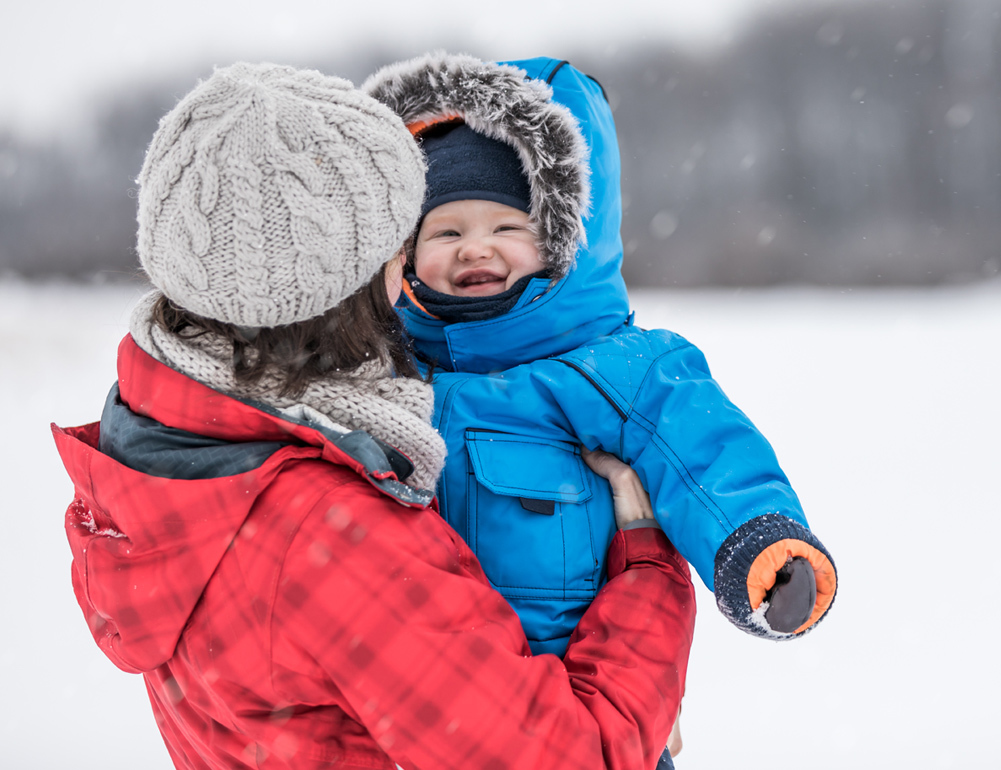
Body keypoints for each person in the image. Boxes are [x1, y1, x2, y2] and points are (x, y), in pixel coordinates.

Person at [52, 62, 696, 770]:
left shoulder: (162, 437)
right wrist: (644, 572)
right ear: (338, 287)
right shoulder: (329, 536)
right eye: (399, 243)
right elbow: (566, 757)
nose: (410, 271)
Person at [364, 53, 837, 656]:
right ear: (402, 254)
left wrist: (757, 542)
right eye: (446, 233)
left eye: (507, 229)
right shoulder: (380, 369)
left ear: (560, 239)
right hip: (421, 708)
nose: (473, 249)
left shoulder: (613, 370)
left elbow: (704, 452)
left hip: (579, 692)